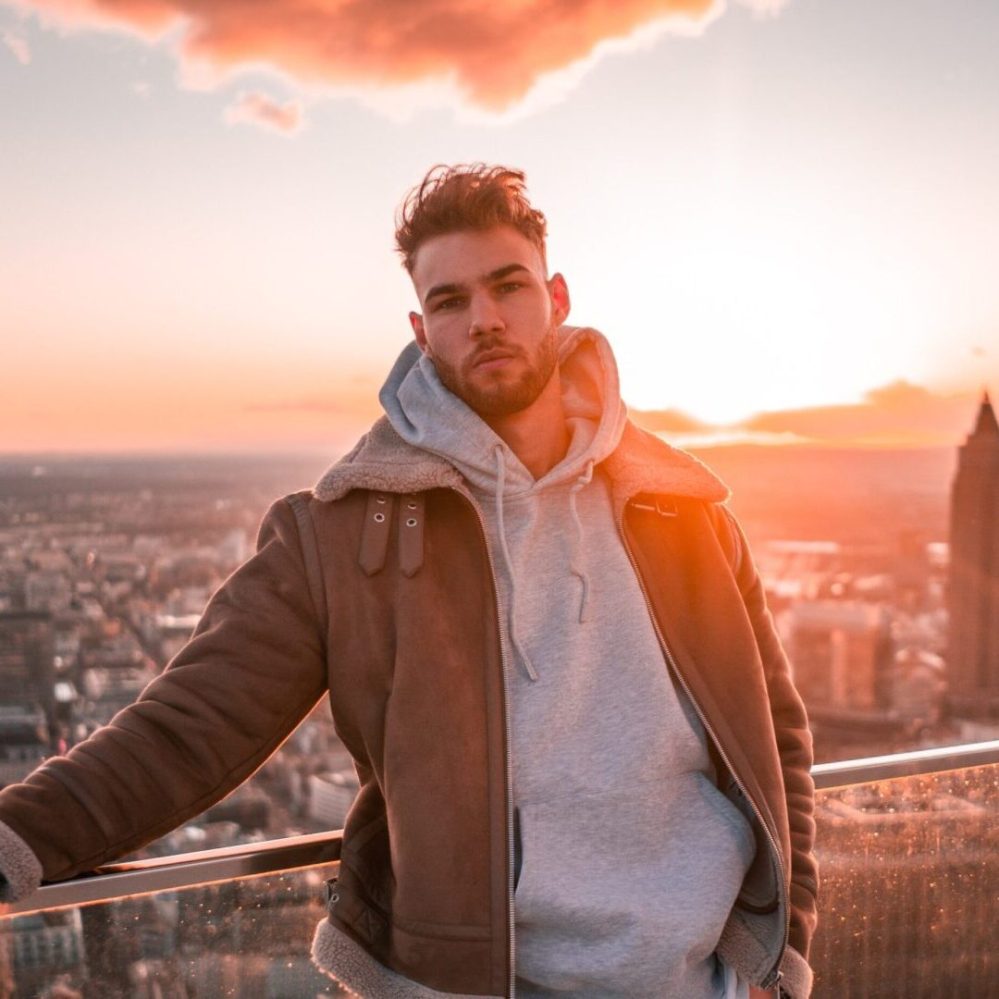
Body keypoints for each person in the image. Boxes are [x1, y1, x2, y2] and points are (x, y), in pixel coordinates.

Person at [0, 164, 817, 998]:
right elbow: (187, 728)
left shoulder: (683, 511)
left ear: (558, 297)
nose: (485, 320)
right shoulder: (342, 534)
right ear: (421, 330)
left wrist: (782, 947)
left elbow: (771, 737)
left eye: (508, 286)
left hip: (696, 977)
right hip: (467, 983)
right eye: (451, 301)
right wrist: (14, 836)